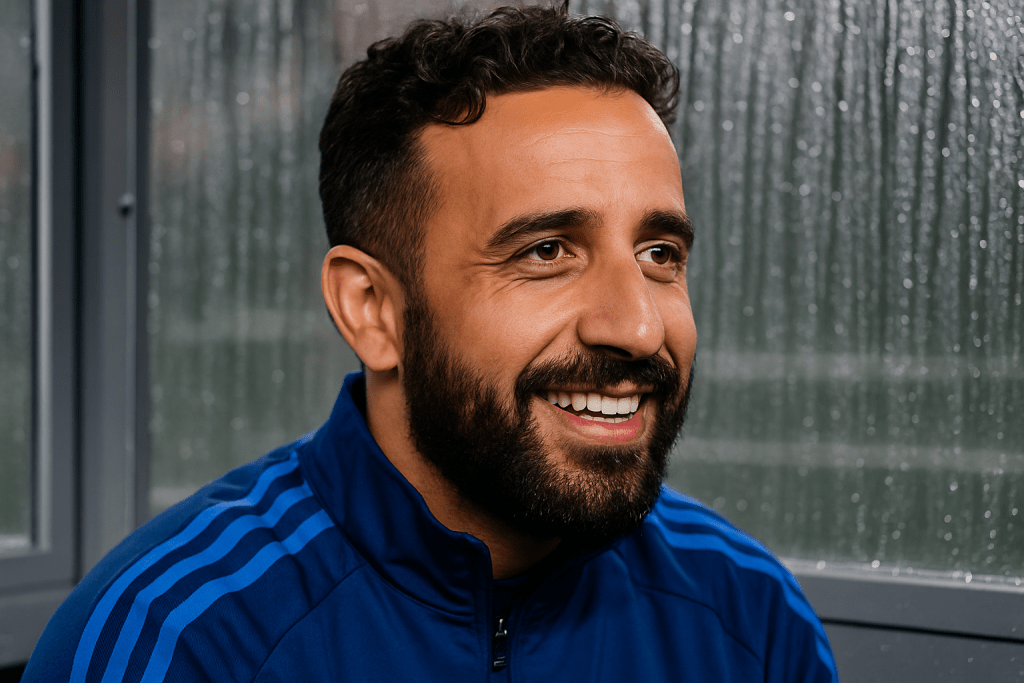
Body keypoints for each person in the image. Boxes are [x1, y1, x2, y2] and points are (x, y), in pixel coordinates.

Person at [23, 3, 838, 681]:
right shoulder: (178, 640)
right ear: (373, 309)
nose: (636, 326)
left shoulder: (751, 617)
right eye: (545, 251)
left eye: (659, 254)